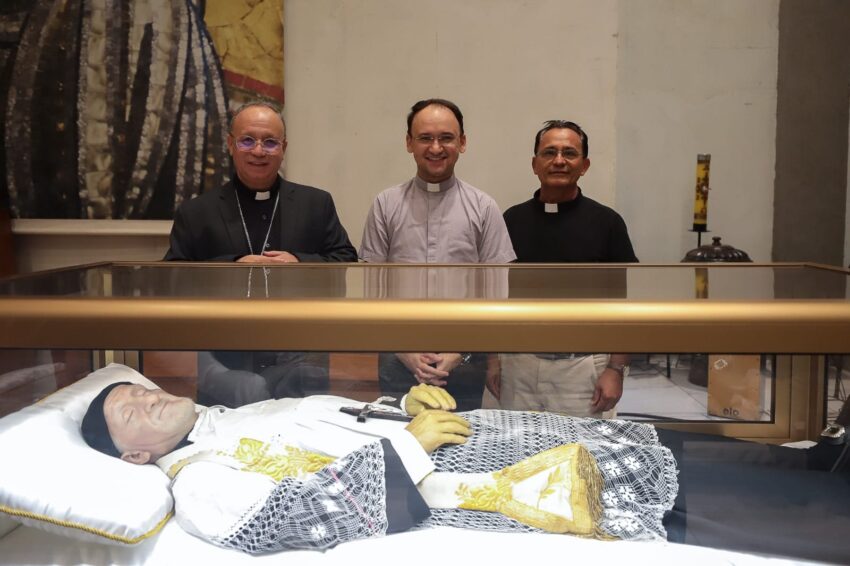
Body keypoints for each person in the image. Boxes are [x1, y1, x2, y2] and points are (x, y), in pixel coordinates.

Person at [80, 381, 678, 554]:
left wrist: (402, 406)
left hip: (480, 432)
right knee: (701, 501)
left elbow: (337, 422)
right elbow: (304, 515)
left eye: (138, 390)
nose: (145, 398)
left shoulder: (229, 416)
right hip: (488, 481)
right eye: (129, 412)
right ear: (135, 456)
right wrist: (411, 445)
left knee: (675, 452)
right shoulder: (198, 482)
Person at [163, 101, 357, 406]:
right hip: (226, 357)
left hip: (301, 355)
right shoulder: (197, 211)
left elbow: (346, 259)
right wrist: (232, 265)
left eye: (270, 142)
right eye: (247, 140)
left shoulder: (315, 203)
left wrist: (300, 262)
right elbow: (171, 277)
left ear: (283, 148)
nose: (258, 151)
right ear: (231, 144)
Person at [360, 98, 516, 411]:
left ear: (462, 142)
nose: (435, 148)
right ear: (409, 143)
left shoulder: (484, 207)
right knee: (398, 436)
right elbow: (371, 288)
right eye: (425, 138)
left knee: (462, 438)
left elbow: (497, 292)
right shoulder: (385, 204)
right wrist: (404, 351)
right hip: (397, 357)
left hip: (465, 360)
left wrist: (460, 352)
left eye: (446, 138)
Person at [498, 120, 638, 418]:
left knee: (582, 447)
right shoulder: (511, 220)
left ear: (584, 165)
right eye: (549, 152)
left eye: (569, 153)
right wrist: (493, 362)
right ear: (534, 164)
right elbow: (495, 295)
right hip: (518, 365)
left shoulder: (607, 222)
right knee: (516, 444)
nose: (559, 160)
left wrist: (616, 369)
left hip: (584, 368)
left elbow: (626, 304)